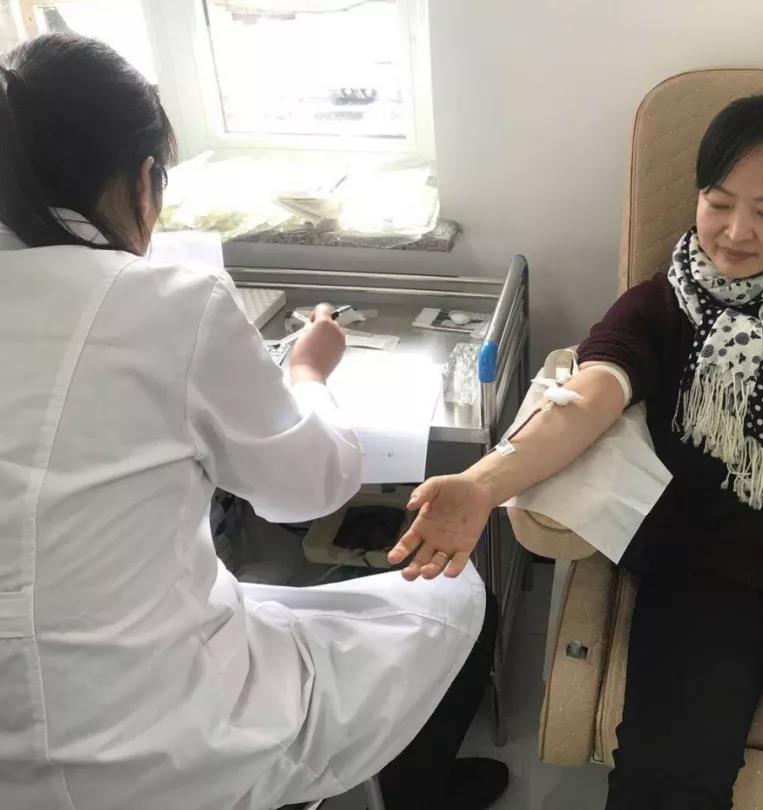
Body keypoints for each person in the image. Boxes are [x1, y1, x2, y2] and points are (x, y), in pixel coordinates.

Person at [389, 93, 763, 809]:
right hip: (709, 565)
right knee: (663, 783)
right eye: (718, 203)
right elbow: (589, 397)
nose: (735, 232)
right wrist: (484, 482)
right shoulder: (659, 305)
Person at [0, 33, 506, 810]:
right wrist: (308, 371)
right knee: (456, 596)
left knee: (256, 597)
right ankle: (416, 793)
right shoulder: (167, 302)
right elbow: (308, 490)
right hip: (158, 738)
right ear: (143, 178)